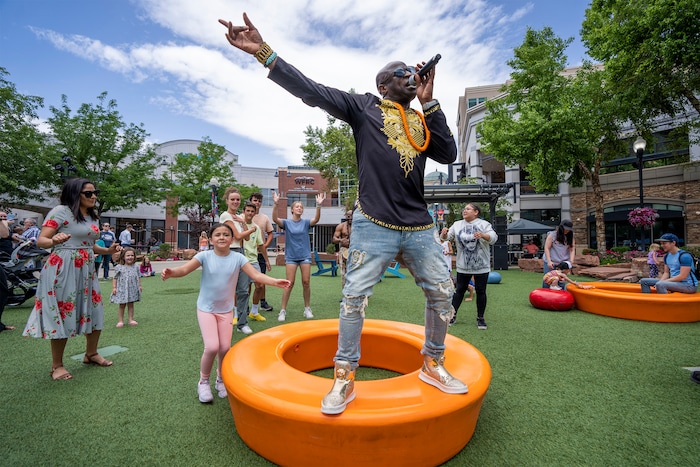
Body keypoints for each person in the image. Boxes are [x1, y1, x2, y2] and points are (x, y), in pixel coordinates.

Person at [219, 13, 465, 415]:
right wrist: (263, 53)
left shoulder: (420, 118)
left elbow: (447, 154)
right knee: (353, 299)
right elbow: (311, 90)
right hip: (374, 224)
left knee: (441, 294)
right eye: (401, 72)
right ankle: (344, 376)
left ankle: (433, 363)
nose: (410, 74)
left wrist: (429, 99)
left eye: (412, 71)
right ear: (383, 85)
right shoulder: (363, 107)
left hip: (420, 226)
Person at [161, 222, 290, 403]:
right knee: (212, 346)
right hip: (206, 309)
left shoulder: (238, 258)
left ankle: (220, 380)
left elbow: (256, 275)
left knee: (224, 348)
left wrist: (274, 281)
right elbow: (184, 269)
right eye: (218, 234)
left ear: (232, 239)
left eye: (226, 234)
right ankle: (203, 381)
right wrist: (171, 272)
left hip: (226, 310)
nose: (222, 237)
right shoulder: (204, 256)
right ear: (211, 239)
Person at [22, 178, 120, 380]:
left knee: (94, 309)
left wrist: (108, 250)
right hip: (63, 267)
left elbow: (90, 245)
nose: (94, 196)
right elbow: (41, 241)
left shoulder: (93, 217)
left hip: (86, 268)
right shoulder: (60, 212)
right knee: (63, 311)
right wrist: (53, 239)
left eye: (95, 192)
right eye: (88, 193)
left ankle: (91, 354)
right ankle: (57, 365)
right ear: (75, 194)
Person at [441, 203, 497, 328]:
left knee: (481, 291)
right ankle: (452, 316)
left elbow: (493, 238)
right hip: (463, 266)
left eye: (468, 209)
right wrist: (444, 233)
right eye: (464, 209)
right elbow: (446, 238)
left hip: (481, 266)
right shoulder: (457, 224)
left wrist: (483, 235)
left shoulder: (484, 224)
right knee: (459, 290)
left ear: (476, 212)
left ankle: (480, 318)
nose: (464, 210)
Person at [272, 191, 325, 322]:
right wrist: (276, 204)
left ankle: (307, 308)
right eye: (297, 206)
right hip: (291, 257)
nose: (300, 208)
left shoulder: (306, 223)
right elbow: (274, 219)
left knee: (306, 282)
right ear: (292, 210)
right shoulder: (287, 223)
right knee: (289, 283)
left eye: (301, 207)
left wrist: (318, 206)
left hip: (304, 256)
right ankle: (283, 310)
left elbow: (316, 219)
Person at [236, 202, 267, 329]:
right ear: (244, 211)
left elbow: (260, 245)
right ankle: (236, 314)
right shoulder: (237, 225)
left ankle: (254, 312)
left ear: (255, 213)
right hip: (241, 259)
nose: (249, 213)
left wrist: (267, 261)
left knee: (259, 285)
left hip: (253, 261)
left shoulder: (256, 227)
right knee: (242, 290)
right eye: (247, 210)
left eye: (252, 211)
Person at [250, 192, 275, 312]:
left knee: (262, 279)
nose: (257, 203)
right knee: (247, 282)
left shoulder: (264, 218)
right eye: (255, 200)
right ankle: (245, 305)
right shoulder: (243, 216)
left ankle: (263, 302)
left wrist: (265, 245)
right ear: (250, 201)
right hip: (247, 254)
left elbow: (270, 233)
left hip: (260, 254)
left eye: (259, 201)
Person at [111, 247, 142, 327]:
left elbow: (138, 277)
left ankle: (131, 319)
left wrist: (139, 285)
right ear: (123, 257)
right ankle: (120, 321)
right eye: (128, 255)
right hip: (122, 289)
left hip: (132, 288)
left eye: (132, 255)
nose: (130, 257)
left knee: (131, 304)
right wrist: (114, 287)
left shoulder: (136, 266)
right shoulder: (119, 267)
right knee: (122, 305)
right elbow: (115, 278)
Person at [543, 220, 575, 287]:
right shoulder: (552, 235)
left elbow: (572, 250)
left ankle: (561, 296)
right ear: (561, 227)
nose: (567, 231)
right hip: (551, 260)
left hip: (562, 262)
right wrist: (549, 261)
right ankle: (546, 296)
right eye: (565, 229)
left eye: (568, 230)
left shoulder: (570, 237)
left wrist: (571, 261)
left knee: (561, 281)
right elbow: (547, 248)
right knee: (548, 280)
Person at [332, 210, 353, 288]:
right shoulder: (341, 226)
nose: (350, 217)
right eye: (348, 216)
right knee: (344, 273)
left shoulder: (358, 226)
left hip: (355, 250)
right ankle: (345, 293)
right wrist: (341, 240)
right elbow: (334, 239)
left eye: (351, 215)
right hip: (344, 250)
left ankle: (356, 294)